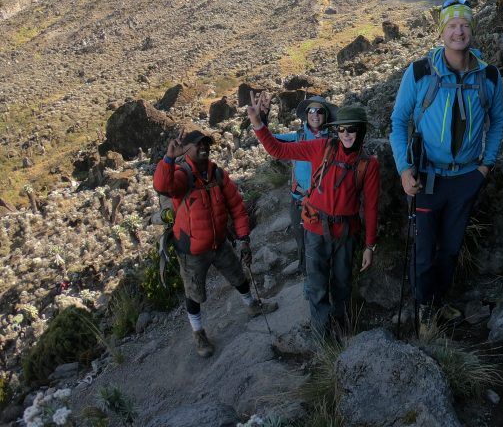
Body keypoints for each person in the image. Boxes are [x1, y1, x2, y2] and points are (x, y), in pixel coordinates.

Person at [389, 0, 503, 325]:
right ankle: (425, 311)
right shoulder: (421, 72)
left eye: (464, 25)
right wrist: (403, 169)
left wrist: (486, 165)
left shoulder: (489, 77)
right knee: (424, 253)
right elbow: (398, 122)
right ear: (441, 33)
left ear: (472, 30)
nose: (459, 31)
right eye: (452, 25)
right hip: (427, 177)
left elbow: (497, 121)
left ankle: (439, 301)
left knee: (451, 249)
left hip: (467, 177)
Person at [247, 94, 379, 339]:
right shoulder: (322, 147)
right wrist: (258, 123)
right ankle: (322, 337)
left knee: (342, 284)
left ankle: (340, 325)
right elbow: (278, 149)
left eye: (352, 129)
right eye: (342, 129)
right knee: (317, 287)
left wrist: (370, 245)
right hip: (316, 229)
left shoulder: (368, 164)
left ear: (361, 131)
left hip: (346, 234)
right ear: (336, 130)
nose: (346, 134)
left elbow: (371, 206)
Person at [153, 129, 278, 358]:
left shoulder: (218, 175)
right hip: (191, 249)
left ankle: (251, 305)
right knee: (194, 294)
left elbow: (237, 209)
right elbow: (163, 186)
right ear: (187, 149)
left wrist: (244, 240)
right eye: (198, 144)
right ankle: (198, 333)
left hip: (219, 243)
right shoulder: (182, 176)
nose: (204, 148)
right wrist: (169, 158)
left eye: (206, 144)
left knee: (238, 276)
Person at [273, 95, 338, 273]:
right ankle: (306, 274)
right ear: (306, 114)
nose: (315, 114)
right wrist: (261, 119)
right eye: (311, 110)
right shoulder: (297, 137)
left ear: (326, 115)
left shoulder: (334, 139)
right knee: (301, 238)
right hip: (299, 198)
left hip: (323, 202)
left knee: (324, 240)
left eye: (320, 111)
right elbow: (271, 141)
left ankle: (325, 274)